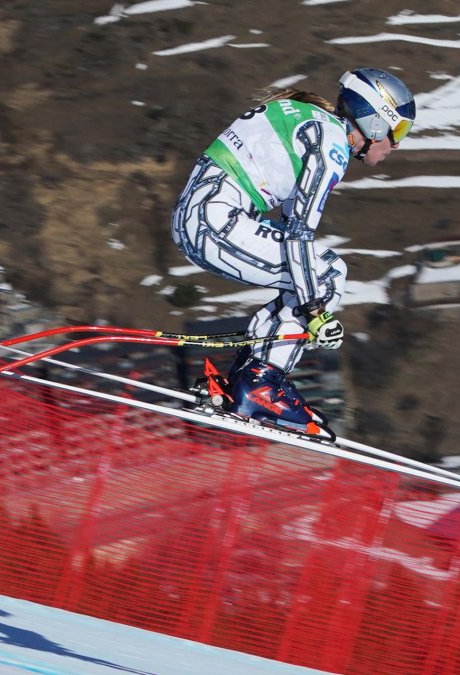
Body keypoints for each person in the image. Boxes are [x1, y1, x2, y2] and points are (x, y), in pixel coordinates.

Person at [171, 68, 415, 434]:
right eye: (399, 132)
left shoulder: (313, 120)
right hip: (214, 221)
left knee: (315, 272)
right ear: (374, 123)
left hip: (199, 217)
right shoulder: (331, 146)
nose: (396, 145)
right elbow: (299, 234)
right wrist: (315, 312)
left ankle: (249, 379)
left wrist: (303, 305)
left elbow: (290, 230)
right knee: (327, 275)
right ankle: (261, 386)